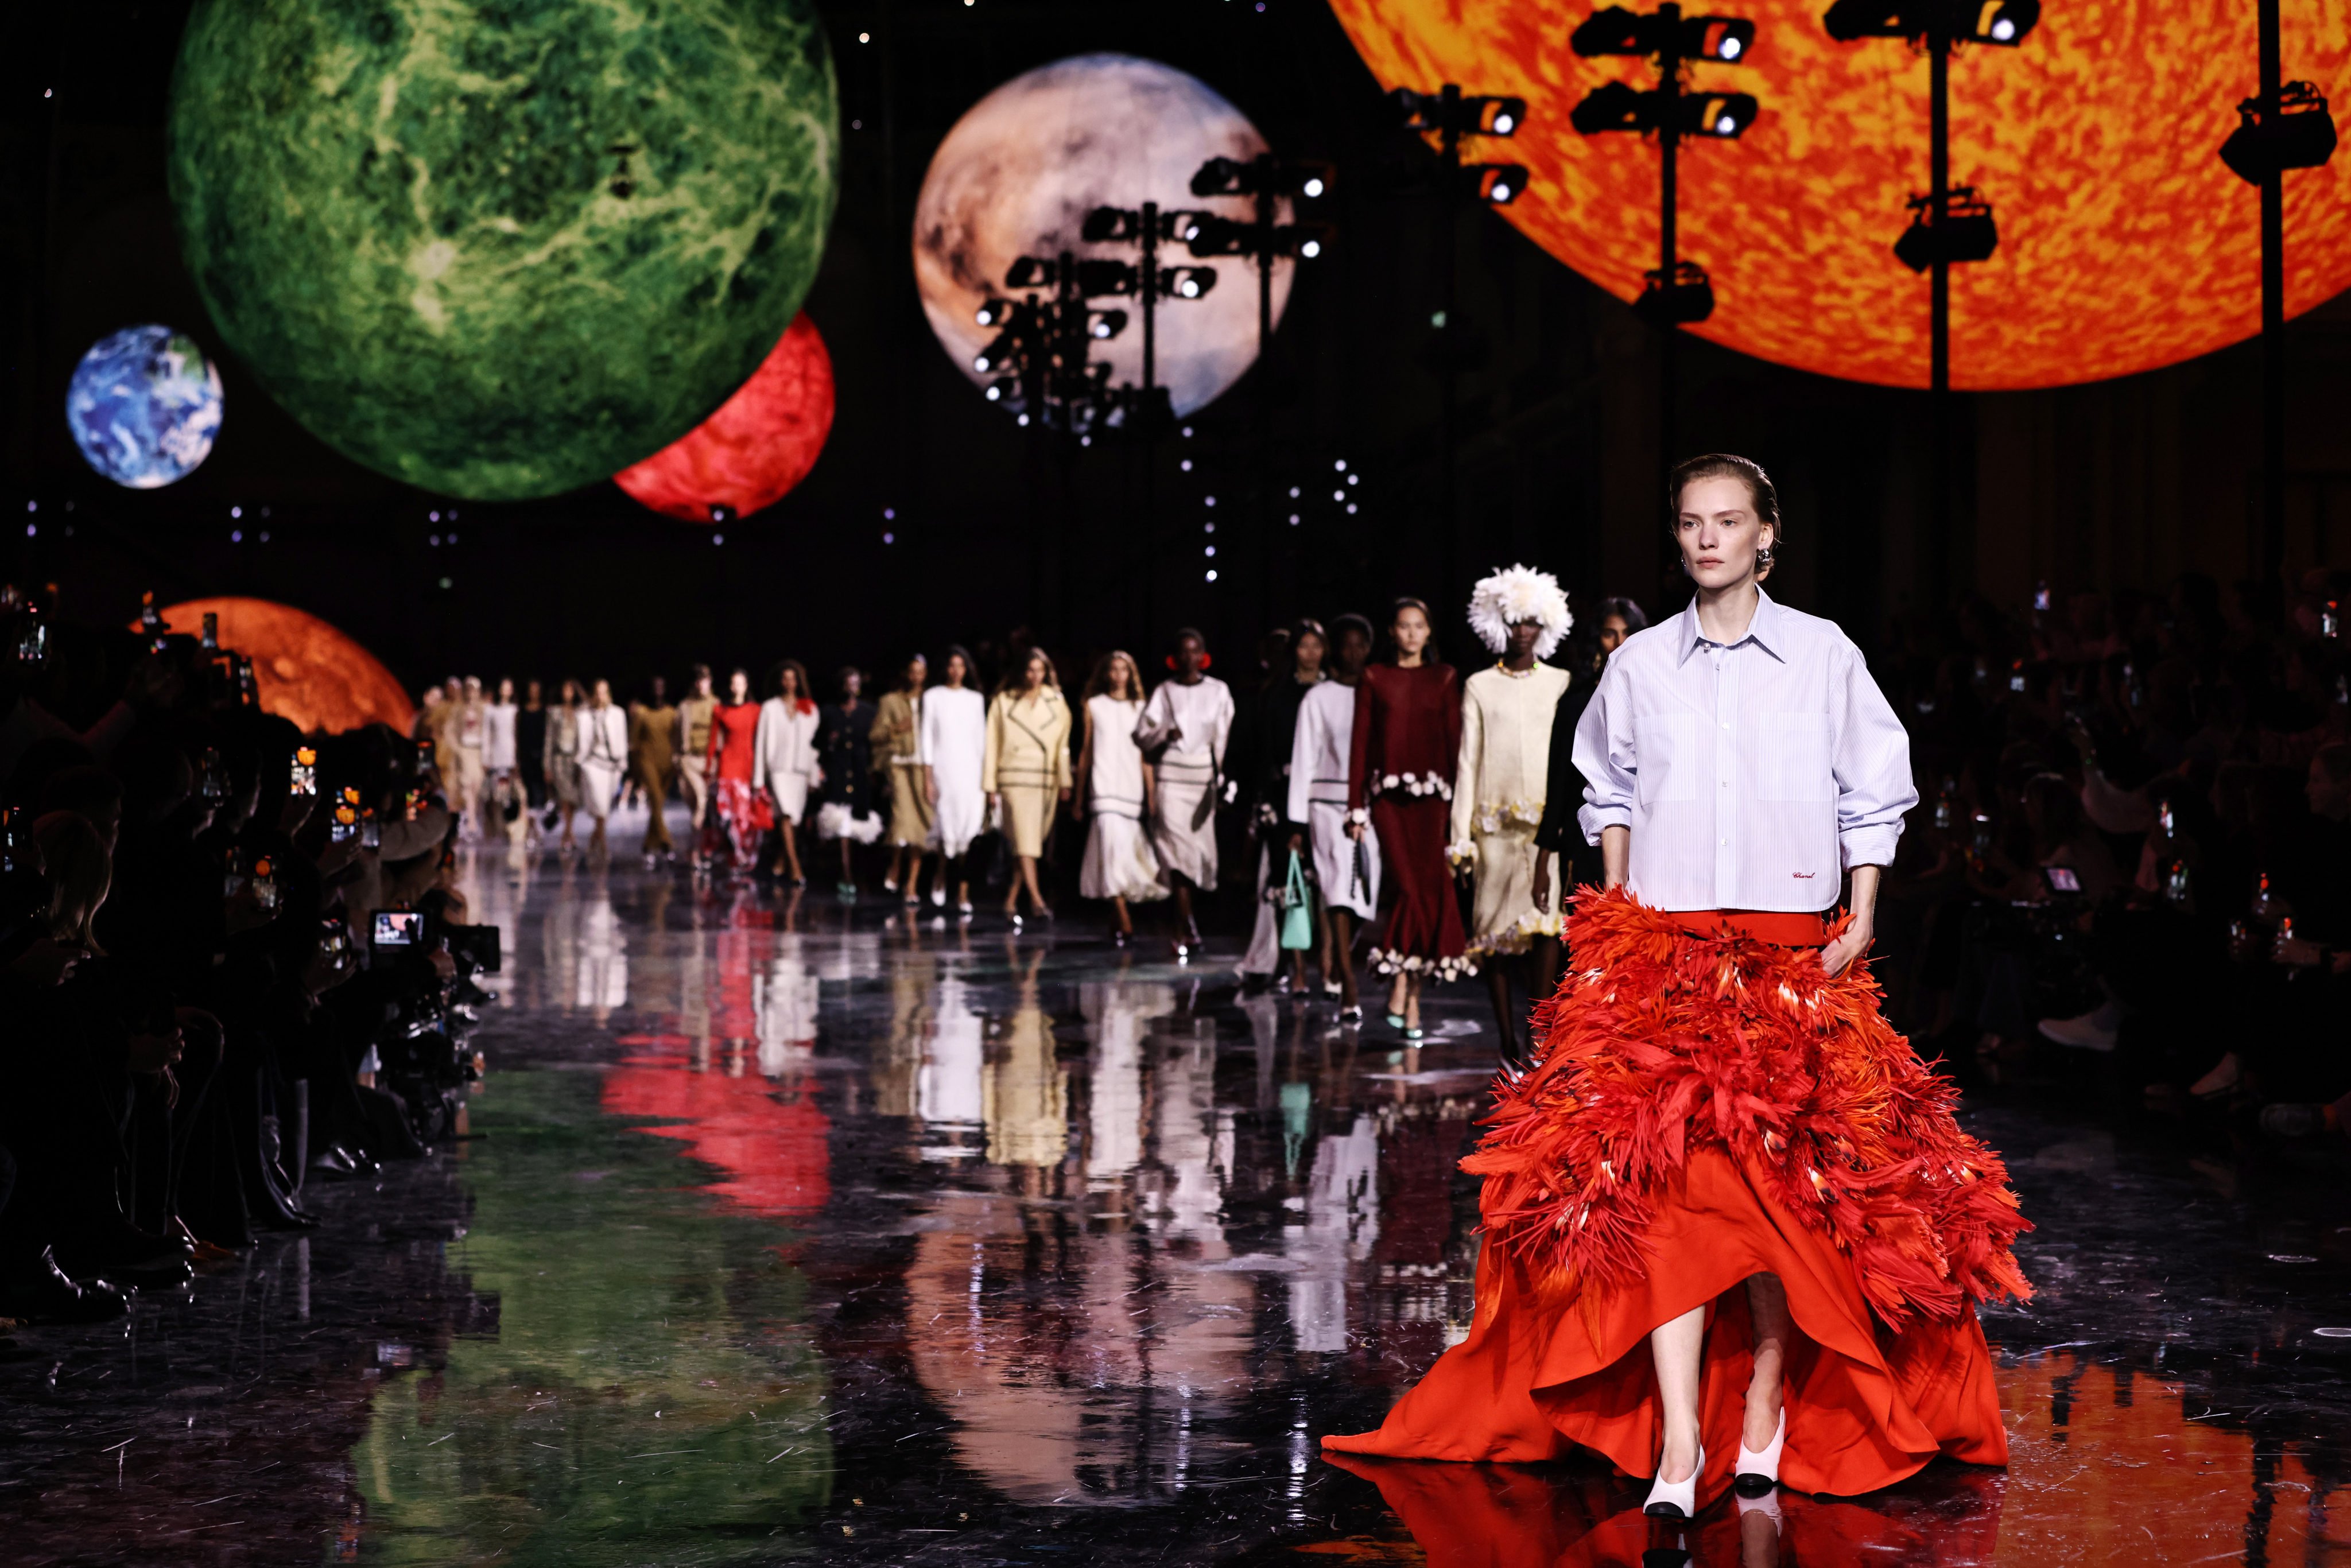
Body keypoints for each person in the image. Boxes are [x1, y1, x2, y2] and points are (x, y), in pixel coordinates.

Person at [1324, 453, 2029, 1523]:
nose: (1707, 539)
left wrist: (1869, 912)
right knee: (1663, 1206)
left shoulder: (1822, 654)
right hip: (1663, 957)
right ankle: (1680, 1434)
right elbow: (1603, 782)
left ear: (1766, 535)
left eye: (1728, 521)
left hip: (1792, 955)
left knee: (1783, 1209)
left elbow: (1874, 787)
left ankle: (1759, 1400)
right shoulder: (1642, 664)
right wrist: (1613, 909)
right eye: (1692, 522)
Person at [1452, 566, 1574, 1058]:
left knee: (1547, 927)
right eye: (1514, 620)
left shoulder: (1562, 683)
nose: (1523, 630)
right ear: (1498, 622)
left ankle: (1536, 1033)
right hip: (1494, 828)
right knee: (1495, 935)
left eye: (1531, 620)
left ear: (1545, 624)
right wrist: (1459, 836)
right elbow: (1468, 762)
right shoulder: (1480, 685)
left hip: (1546, 829)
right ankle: (1505, 1038)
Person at [1345, 599, 1466, 1038]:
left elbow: (1457, 747)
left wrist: (1463, 812)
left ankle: (1408, 996)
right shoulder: (1375, 677)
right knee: (1411, 891)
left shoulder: (1445, 677)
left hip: (1437, 802)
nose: (1412, 634)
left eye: (1419, 626)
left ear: (1428, 632)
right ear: (1392, 632)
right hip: (1387, 802)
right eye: (1404, 626)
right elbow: (1361, 745)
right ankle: (1404, 989)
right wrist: (1354, 805)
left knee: (1428, 893)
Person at [1289, 614, 1379, 1020]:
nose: (1354, 652)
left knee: (1364, 896)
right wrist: (1296, 823)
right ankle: (1347, 979)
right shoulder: (1318, 697)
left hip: (1371, 807)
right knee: (1339, 893)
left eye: (1362, 644)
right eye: (1347, 644)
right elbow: (1304, 757)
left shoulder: (1379, 691)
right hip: (1325, 804)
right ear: (1335, 650)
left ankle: (1337, 954)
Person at [1534, 597, 1647, 915]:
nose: (1619, 642)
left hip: (1641, 838)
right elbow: (1558, 785)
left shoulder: (1653, 699)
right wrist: (1544, 858)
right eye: (1610, 633)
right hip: (1584, 840)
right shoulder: (1575, 703)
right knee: (1589, 947)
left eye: (1628, 633)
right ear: (1596, 638)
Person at [1135, 628, 1233, 961]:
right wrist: (1165, 733)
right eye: (1183, 652)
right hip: (1172, 779)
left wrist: (1219, 781)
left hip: (1201, 779)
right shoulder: (1164, 691)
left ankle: (1184, 922)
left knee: (1195, 855)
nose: (1189, 658)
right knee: (1175, 853)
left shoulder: (1218, 691)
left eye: (1195, 651)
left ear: (1203, 654)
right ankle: (1185, 923)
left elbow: (1222, 739)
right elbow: (1142, 735)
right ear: (1175, 657)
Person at [1239, 622, 1326, 991]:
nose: (1309, 653)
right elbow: (1265, 752)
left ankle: (1329, 964)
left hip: (1324, 796)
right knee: (1289, 883)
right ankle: (1298, 968)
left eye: (1315, 646)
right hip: (1283, 796)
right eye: (1302, 646)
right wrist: (1263, 805)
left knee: (1323, 884)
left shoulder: (1333, 691)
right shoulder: (1277, 694)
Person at [1076, 650, 1163, 944]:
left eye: (1123, 670)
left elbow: (1145, 756)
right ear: (1106, 673)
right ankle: (1123, 915)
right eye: (1112, 669)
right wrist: (1078, 797)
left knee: (1120, 852)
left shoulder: (1141, 708)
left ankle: (1117, 914)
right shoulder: (1094, 705)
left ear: (1131, 674)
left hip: (1130, 787)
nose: (1117, 675)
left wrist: (1152, 794)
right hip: (1102, 786)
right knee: (1110, 845)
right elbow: (1086, 752)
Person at [984, 648, 1073, 924]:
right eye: (1030, 670)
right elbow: (991, 745)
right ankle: (1036, 900)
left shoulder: (1056, 702)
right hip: (1013, 776)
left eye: (1040, 671)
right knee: (1025, 840)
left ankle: (1012, 898)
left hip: (1044, 778)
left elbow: (1063, 746)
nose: (1035, 676)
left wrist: (1065, 780)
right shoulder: (1003, 701)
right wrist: (989, 786)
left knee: (1030, 842)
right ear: (1021, 671)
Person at [920, 647, 987, 917]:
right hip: (944, 769)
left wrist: (986, 779)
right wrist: (928, 777)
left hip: (971, 772)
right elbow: (926, 736)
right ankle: (940, 875)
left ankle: (962, 891)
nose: (956, 671)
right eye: (951, 665)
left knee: (968, 833)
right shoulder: (933, 696)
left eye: (961, 665)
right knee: (945, 827)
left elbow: (981, 739)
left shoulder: (975, 699)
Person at [871, 655, 932, 905]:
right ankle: (896, 865)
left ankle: (912, 884)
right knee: (901, 819)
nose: (916, 676)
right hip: (900, 766)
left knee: (920, 825)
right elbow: (875, 735)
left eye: (921, 672)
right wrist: (896, 729)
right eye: (912, 671)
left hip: (925, 768)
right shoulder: (890, 701)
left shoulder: (933, 702)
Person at [815, 667, 880, 899]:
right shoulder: (829, 712)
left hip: (861, 772)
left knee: (860, 825)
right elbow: (818, 743)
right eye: (846, 683)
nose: (850, 687)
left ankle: (861, 873)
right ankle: (846, 874)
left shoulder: (869, 712)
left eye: (854, 683)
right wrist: (829, 745)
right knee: (841, 823)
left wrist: (875, 769)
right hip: (839, 771)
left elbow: (875, 743)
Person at [753, 661, 820, 887]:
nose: (789, 683)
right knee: (786, 816)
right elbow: (761, 742)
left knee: (795, 821)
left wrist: (814, 774)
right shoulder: (770, 708)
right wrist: (759, 778)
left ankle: (780, 862)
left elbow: (815, 746)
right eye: (785, 678)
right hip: (779, 769)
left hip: (800, 770)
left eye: (793, 678)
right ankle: (795, 867)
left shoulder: (809, 708)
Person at [703, 667, 764, 874]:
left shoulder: (756, 710)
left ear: (746, 686)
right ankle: (735, 855)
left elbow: (760, 741)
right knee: (726, 815)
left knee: (744, 816)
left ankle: (745, 857)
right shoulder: (721, 710)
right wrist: (708, 768)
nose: (736, 686)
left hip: (748, 763)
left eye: (740, 682)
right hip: (727, 765)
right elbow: (712, 741)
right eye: (733, 682)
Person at [576, 678, 628, 859]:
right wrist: (580, 762)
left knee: (605, 807)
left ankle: (593, 841)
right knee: (600, 805)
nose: (601, 696)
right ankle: (604, 846)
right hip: (593, 764)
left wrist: (623, 763)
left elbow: (622, 738)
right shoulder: (584, 715)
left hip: (612, 764)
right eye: (598, 692)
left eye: (604, 692)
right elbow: (581, 742)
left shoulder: (618, 714)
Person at [628, 676, 677, 863]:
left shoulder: (671, 713)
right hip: (647, 762)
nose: (658, 689)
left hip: (667, 762)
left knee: (657, 805)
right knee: (655, 799)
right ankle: (666, 842)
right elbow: (634, 741)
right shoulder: (641, 713)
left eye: (661, 686)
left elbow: (675, 738)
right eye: (654, 686)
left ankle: (649, 845)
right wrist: (635, 769)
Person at [676, 664, 717, 861]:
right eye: (698, 681)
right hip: (689, 760)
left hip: (710, 761)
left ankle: (696, 851)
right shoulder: (685, 706)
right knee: (695, 807)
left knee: (702, 803)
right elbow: (676, 735)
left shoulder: (716, 705)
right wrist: (677, 759)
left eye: (706, 680)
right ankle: (698, 847)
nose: (702, 685)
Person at [544, 679, 584, 853]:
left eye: (571, 690)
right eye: (565, 690)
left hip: (575, 761)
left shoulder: (580, 712)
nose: (568, 693)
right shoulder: (555, 713)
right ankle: (568, 835)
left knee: (573, 799)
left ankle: (568, 834)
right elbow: (549, 739)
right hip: (559, 760)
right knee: (565, 798)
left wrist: (579, 688)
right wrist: (547, 765)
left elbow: (589, 702)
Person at [448, 676, 488, 839]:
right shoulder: (459, 710)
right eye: (468, 689)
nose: (471, 692)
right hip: (465, 751)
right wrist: (457, 749)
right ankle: (471, 822)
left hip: (479, 751)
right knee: (466, 785)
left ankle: (473, 818)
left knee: (477, 784)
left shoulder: (484, 709)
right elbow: (450, 730)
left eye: (474, 689)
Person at [515, 678, 549, 815]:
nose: (534, 693)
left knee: (540, 788)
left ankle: (538, 823)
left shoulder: (545, 711)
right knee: (527, 789)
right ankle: (530, 823)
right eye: (531, 690)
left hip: (541, 753)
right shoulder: (522, 711)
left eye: (536, 690)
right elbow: (518, 735)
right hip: (526, 754)